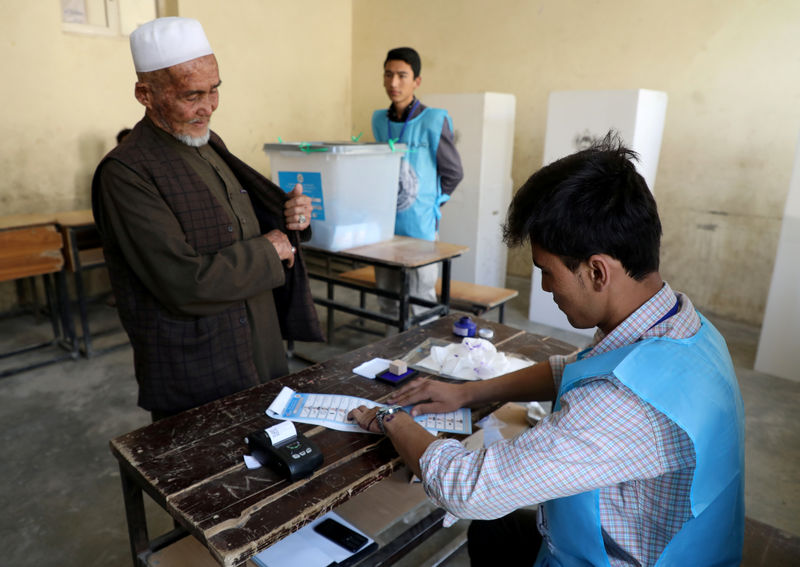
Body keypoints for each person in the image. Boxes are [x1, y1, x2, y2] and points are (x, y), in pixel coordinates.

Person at [349, 134, 745, 566]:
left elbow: (467, 489)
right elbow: (575, 368)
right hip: (692, 546)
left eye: (547, 271)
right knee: (494, 531)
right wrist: (465, 394)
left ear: (597, 271)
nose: (545, 287)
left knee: (484, 514)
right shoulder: (685, 327)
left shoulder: (621, 405)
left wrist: (391, 419)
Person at [92, 17, 322, 421]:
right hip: (198, 365)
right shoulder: (126, 172)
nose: (209, 106)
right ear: (145, 94)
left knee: (273, 467)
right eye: (191, 95)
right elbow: (182, 282)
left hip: (258, 345)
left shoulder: (207, 142)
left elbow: (245, 223)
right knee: (212, 477)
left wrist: (290, 218)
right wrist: (271, 250)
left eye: (215, 89)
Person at [371, 47, 463, 326]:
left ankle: (423, 350)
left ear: (417, 81)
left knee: (421, 293)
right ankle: (390, 348)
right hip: (385, 225)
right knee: (386, 291)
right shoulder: (378, 120)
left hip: (420, 225)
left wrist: (434, 203)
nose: (394, 83)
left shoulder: (434, 120)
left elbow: (453, 172)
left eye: (402, 75)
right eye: (388, 75)